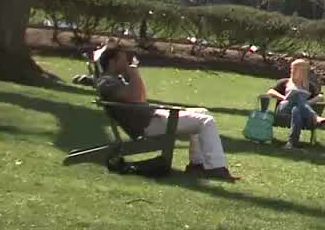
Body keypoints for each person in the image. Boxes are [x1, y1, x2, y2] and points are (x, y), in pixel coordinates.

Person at [95, 45, 239, 181]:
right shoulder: (106, 82)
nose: (126, 62)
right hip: (147, 125)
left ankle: (197, 165)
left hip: (152, 118)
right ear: (112, 62)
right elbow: (138, 97)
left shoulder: (115, 80)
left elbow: (140, 98)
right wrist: (133, 71)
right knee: (206, 121)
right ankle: (216, 168)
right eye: (123, 59)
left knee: (203, 112)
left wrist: (131, 74)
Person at [266, 58, 325, 149]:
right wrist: (285, 98)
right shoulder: (285, 82)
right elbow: (270, 91)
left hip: (300, 113)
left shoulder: (310, 86)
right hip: (283, 109)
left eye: (297, 68)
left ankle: (291, 143)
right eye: (292, 68)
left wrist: (307, 102)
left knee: (296, 110)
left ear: (304, 71)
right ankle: (315, 117)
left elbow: (320, 97)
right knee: (297, 96)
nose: (293, 71)